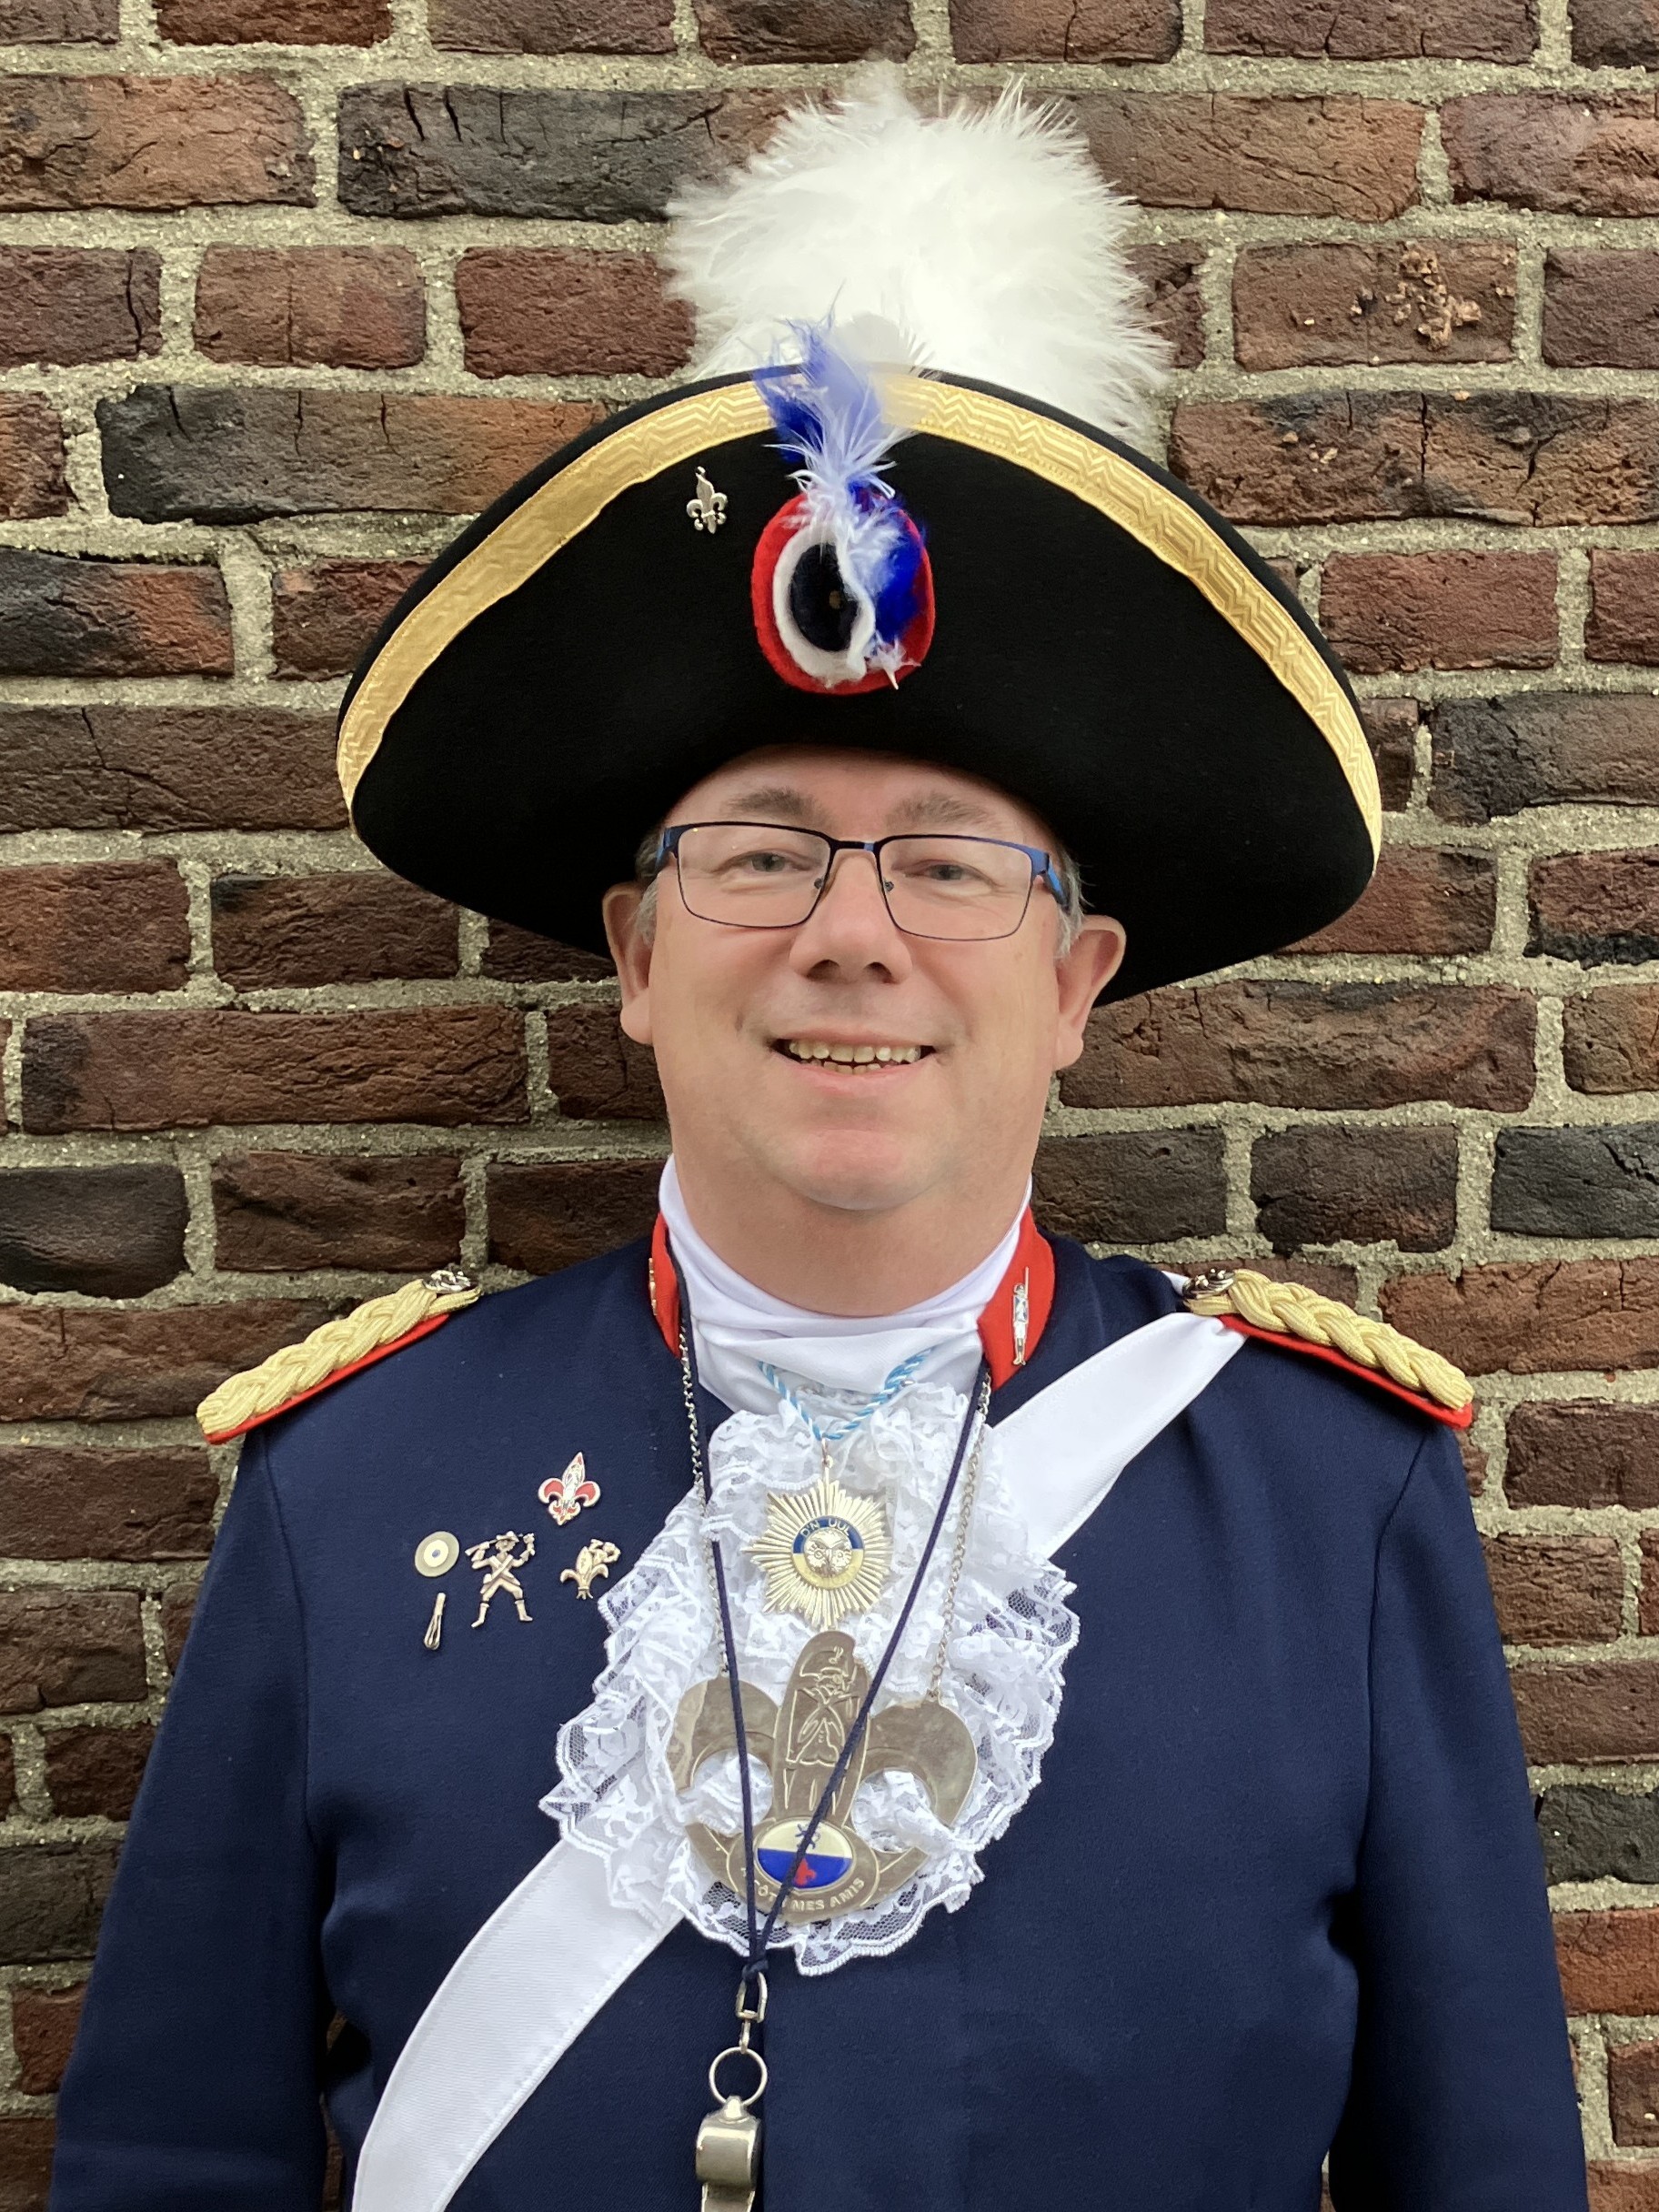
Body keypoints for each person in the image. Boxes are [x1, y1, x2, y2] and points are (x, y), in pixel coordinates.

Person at [49, 75, 1587, 2211]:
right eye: (760, 853)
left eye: (952, 866)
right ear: (636, 957)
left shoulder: (1336, 1503)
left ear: (1077, 981)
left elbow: (1483, 2170)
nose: (852, 935)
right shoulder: (355, 1483)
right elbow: (167, 2158)